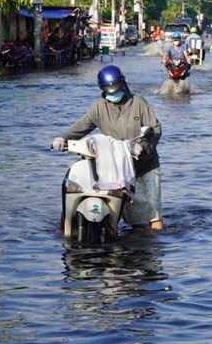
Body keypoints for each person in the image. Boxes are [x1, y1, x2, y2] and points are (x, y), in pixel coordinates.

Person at [51, 65, 164, 230]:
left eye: (116, 90)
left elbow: (155, 130)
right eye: (109, 92)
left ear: (123, 84)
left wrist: (141, 146)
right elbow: (81, 126)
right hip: (116, 168)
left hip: (144, 167)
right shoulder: (99, 108)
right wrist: (63, 138)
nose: (113, 94)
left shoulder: (139, 103)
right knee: (126, 214)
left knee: (152, 213)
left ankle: (155, 246)